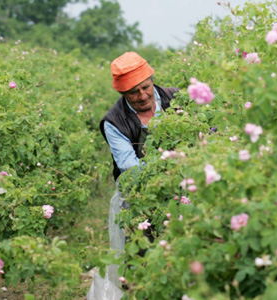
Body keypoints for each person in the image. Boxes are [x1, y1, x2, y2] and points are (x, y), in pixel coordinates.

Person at [87, 52, 179, 300]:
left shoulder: (179, 100)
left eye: (145, 88)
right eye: (133, 93)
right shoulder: (114, 122)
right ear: (122, 94)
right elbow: (130, 166)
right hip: (138, 195)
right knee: (138, 260)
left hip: (183, 189)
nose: (142, 96)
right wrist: (171, 167)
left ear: (152, 79)